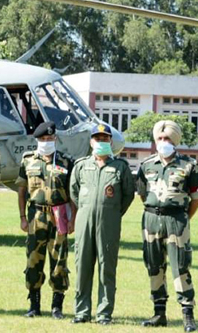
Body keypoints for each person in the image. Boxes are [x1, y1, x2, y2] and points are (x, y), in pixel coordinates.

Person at [136, 120, 198, 332]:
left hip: (177, 221)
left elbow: (196, 197)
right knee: (154, 265)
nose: (163, 142)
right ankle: (159, 313)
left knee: (180, 266)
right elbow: (143, 194)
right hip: (151, 220)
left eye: (167, 139)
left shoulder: (189, 165)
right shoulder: (146, 165)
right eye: (160, 139)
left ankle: (187, 315)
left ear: (175, 141)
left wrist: (183, 218)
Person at [70, 124, 135, 324]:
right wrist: (86, 209)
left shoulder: (120, 167)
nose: (101, 142)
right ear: (91, 142)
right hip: (84, 222)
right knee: (82, 267)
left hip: (109, 223)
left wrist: (113, 212)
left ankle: (104, 313)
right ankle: (82, 312)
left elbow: (127, 195)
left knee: (107, 267)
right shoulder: (81, 165)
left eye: (105, 138)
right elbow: (73, 192)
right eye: (97, 139)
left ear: (110, 142)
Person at [15, 122, 75, 319]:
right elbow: (21, 191)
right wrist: (23, 218)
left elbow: (73, 193)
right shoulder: (28, 161)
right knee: (34, 258)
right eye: (43, 139)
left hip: (59, 215)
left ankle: (57, 306)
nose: (46, 142)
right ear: (37, 140)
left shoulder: (66, 162)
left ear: (55, 139)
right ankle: (34, 305)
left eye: (50, 139)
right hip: (36, 215)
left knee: (59, 260)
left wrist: (72, 218)